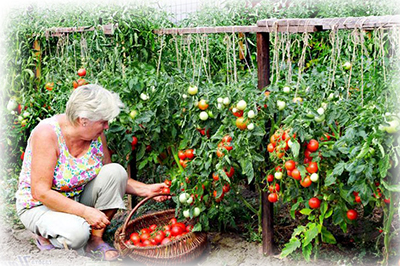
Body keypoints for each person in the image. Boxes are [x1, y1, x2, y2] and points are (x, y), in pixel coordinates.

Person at [15, 84, 169, 261]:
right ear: (83, 120)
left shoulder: (95, 135)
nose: (107, 126)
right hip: (40, 206)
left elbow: (110, 177)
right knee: (78, 234)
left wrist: (146, 190)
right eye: (103, 122)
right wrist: (86, 212)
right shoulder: (47, 134)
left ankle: (95, 239)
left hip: (76, 197)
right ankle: (46, 236)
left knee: (115, 171)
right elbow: (40, 192)